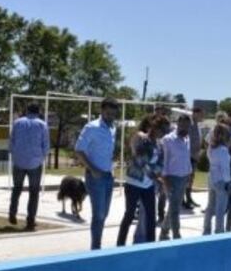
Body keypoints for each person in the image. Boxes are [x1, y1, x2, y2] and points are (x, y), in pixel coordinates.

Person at [74, 97, 118, 250]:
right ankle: (96, 249)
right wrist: (93, 169)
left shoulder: (113, 128)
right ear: (101, 110)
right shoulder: (91, 127)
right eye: (107, 113)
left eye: (113, 114)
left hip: (109, 175)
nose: (110, 117)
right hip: (95, 176)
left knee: (104, 214)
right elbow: (79, 150)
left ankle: (96, 246)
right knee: (98, 215)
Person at [117, 115, 163, 245]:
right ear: (153, 127)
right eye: (160, 129)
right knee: (129, 215)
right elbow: (140, 159)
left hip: (148, 186)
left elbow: (161, 162)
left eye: (164, 131)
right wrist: (152, 174)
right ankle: (120, 244)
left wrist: (156, 173)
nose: (162, 133)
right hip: (134, 183)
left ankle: (151, 245)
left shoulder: (159, 145)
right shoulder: (141, 138)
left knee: (150, 217)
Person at [8, 103, 50, 231]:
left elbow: (11, 140)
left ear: (27, 110)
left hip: (19, 161)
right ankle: (30, 220)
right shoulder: (42, 124)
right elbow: (46, 144)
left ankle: (12, 213)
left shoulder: (17, 122)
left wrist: (14, 154)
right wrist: (42, 157)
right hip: (35, 162)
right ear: (38, 112)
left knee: (17, 188)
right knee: (34, 192)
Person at [159, 113, 193, 240]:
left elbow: (186, 158)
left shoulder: (187, 138)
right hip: (171, 178)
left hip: (184, 177)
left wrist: (189, 174)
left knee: (175, 207)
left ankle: (164, 231)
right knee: (174, 210)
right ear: (178, 124)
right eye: (183, 124)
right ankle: (176, 236)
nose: (185, 127)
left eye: (187, 125)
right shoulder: (168, 139)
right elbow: (164, 161)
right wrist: (165, 180)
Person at [203, 123, 231, 235]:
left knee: (210, 206)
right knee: (221, 208)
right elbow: (225, 169)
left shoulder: (211, 148)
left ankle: (206, 229)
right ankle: (219, 230)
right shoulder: (223, 150)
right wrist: (228, 183)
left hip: (212, 178)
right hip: (221, 180)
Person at [185, 106, 204, 209]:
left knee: (191, 179)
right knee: (187, 179)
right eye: (201, 114)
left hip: (194, 156)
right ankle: (185, 200)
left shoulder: (197, 125)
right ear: (195, 114)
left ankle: (189, 198)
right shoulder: (190, 125)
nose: (202, 117)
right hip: (189, 156)